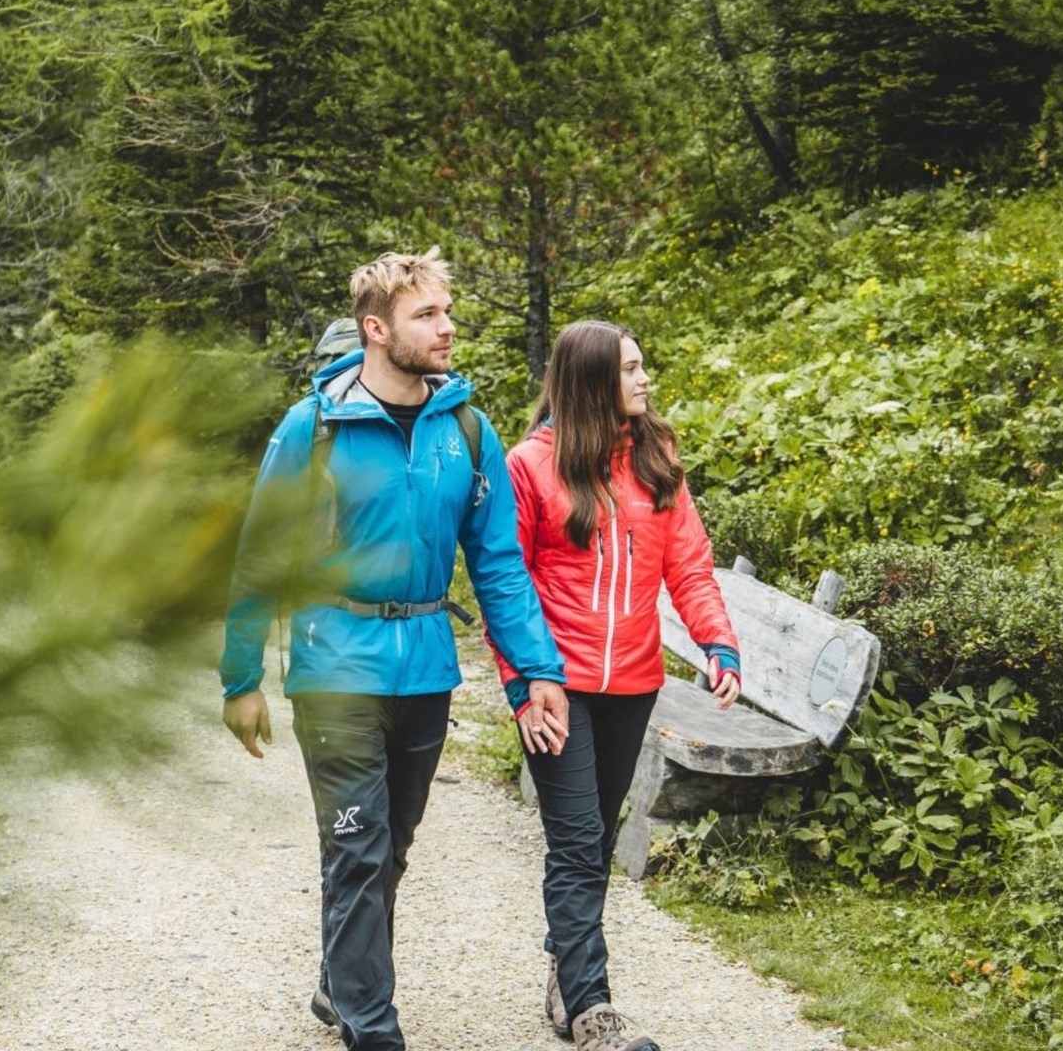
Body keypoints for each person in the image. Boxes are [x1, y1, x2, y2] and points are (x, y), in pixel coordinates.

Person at [221, 248, 571, 1051]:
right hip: (335, 665)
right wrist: (241, 678)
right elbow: (259, 557)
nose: (447, 328)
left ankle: (339, 982)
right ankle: (372, 1027)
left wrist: (536, 673)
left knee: (390, 847)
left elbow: (499, 565)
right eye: (427, 315)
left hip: (426, 667)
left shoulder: (467, 429)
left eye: (448, 313)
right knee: (358, 843)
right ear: (376, 329)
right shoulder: (312, 429)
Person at [490, 320, 742, 1051]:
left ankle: (565, 975)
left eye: (642, 365)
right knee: (576, 842)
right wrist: (522, 684)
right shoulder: (531, 466)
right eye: (629, 369)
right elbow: (507, 585)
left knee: (595, 838)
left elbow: (688, 564)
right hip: (555, 685)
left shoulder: (656, 459)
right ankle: (593, 1009)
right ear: (592, 380)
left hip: (633, 682)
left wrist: (718, 642)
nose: (644, 379)